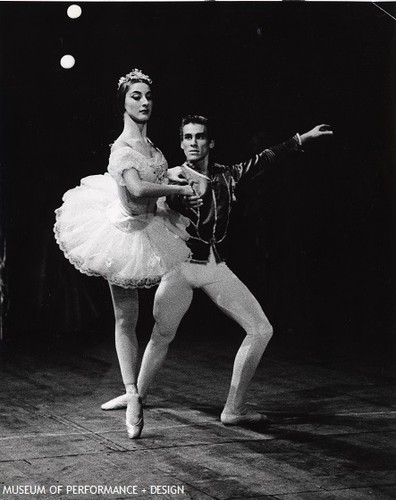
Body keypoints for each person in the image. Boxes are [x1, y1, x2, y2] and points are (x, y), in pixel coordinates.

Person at [102, 114, 333, 426]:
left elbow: (262, 159)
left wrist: (299, 140)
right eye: (187, 137)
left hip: (213, 266)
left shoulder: (227, 175)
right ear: (181, 142)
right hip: (179, 268)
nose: (193, 143)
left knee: (261, 329)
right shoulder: (169, 177)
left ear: (210, 143)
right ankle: (136, 396)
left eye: (199, 137)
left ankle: (234, 409)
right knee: (161, 334)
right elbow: (143, 205)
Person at [54, 69, 195, 439]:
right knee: (125, 316)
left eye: (148, 95)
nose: (144, 101)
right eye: (136, 96)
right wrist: (175, 189)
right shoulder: (122, 149)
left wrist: (173, 201)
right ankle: (132, 395)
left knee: (157, 314)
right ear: (123, 102)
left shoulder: (155, 149)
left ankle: (136, 387)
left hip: (150, 228)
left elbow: (157, 196)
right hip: (120, 233)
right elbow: (135, 187)